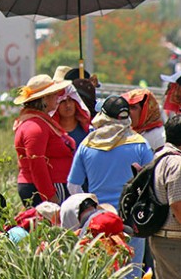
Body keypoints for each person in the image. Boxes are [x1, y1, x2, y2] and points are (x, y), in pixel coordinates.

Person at [68, 95, 154, 279]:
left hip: (98, 220)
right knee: (132, 271)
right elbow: (152, 182)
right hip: (132, 219)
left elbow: (73, 185)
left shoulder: (87, 144)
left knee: (100, 270)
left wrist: (90, 209)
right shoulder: (140, 144)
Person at [13, 74, 75, 206]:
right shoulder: (35, 127)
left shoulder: (39, 122)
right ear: (44, 99)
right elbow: (37, 163)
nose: (57, 98)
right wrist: (50, 196)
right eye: (54, 95)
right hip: (50, 186)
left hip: (51, 185)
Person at [149, 114, 181, 278]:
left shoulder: (160, 156)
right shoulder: (177, 164)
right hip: (173, 242)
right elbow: (178, 205)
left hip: (163, 239)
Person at [52, 84, 91, 149]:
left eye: (70, 100)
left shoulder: (89, 132)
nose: (68, 105)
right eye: (63, 101)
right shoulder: (51, 131)